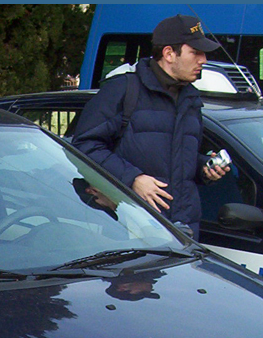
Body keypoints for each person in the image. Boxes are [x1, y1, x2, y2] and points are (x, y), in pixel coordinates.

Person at [72, 14, 230, 238]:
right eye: (195, 52)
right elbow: (83, 147)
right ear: (168, 54)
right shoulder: (123, 90)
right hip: (129, 227)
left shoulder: (191, 100)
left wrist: (205, 167)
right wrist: (132, 179)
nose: (203, 60)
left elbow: (176, 159)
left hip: (182, 232)